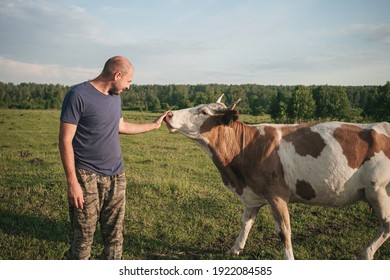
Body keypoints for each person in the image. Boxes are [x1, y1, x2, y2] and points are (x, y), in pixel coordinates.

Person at [59, 56, 168, 259]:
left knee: (115, 237)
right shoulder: (77, 95)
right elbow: (65, 140)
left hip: (117, 175)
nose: (128, 87)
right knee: (83, 238)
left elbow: (120, 126)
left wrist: (153, 125)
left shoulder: (114, 96)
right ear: (117, 75)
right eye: (128, 81)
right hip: (86, 176)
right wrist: (72, 182)